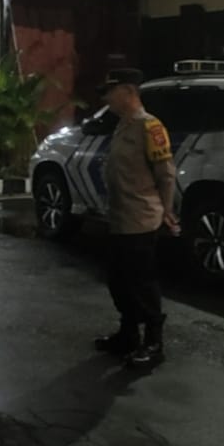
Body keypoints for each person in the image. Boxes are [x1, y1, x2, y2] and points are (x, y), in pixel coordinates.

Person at [92, 68, 178, 369]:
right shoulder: (123, 125)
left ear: (128, 91)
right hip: (120, 216)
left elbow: (166, 175)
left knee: (141, 282)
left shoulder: (149, 126)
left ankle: (154, 342)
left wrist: (167, 211)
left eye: (111, 92)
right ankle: (128, 335)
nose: (106, 98)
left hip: (141, 218)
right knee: (118, 280)